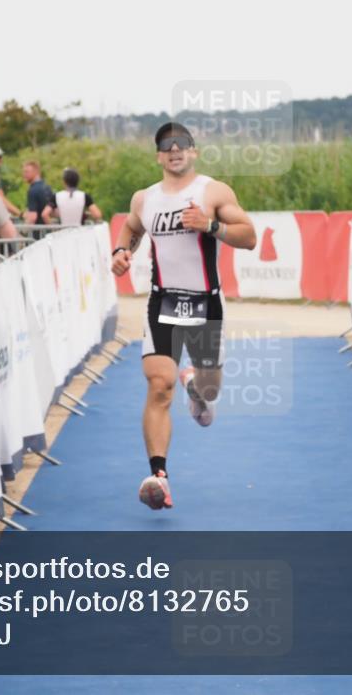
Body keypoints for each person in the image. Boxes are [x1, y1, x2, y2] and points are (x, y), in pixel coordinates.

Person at [111, 122, 256, 510]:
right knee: (159, 385)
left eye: (182, 144)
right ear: (158, 155)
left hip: (205, 304)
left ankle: (199, 391)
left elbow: (249, 236)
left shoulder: (213, 191)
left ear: (193, 151)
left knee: (210, 392)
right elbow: (130, 229)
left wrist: (210, 225)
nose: (174, 150)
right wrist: (121, 252)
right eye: (166, 146)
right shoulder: (145, 198)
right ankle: (159, 475)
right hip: (163, 304)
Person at [22, 160, 53, 228]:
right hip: (48, 231)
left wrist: (22, 232)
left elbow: (33, 217)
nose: (24, 175)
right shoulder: (47, 187)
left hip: (38, 234)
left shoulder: (33, 190)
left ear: (36, 172)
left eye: (26, 172)